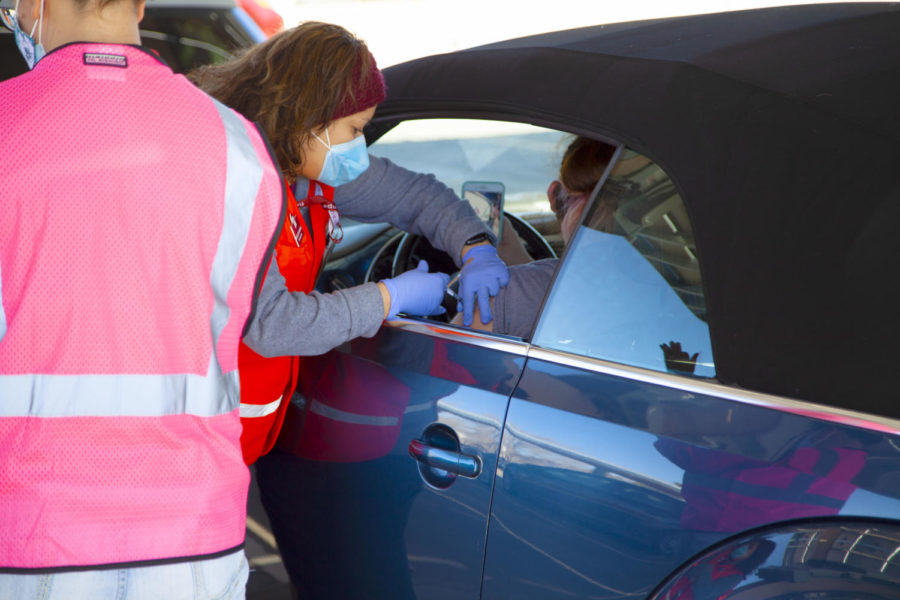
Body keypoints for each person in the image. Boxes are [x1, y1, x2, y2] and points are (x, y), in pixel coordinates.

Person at [0, 1, 284, 598]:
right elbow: (239, 317)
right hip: (196, 539)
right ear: (140, 3)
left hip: (31, 537)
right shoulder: (240, 146)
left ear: (37, 5)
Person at [187, 21, 511, 466]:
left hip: (243, 437)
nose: (359, 146)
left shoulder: (307, 167)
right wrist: (387, 297)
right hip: (194, 439)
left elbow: (416, 196)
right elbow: (271, 324)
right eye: (354, 129)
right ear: (308, 117)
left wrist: (475, 247)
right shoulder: (231, 184)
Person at [455, 135, 616, 337]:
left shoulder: (508, 294)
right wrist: (521, 260)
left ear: (553, 196)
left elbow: (439, 357)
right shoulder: (659, 277)